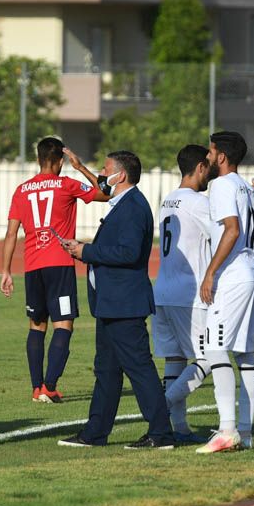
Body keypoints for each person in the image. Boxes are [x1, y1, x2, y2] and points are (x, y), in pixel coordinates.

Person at [57, 151, 174, 449]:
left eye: (105, 168)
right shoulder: (121, 203)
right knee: (106, 371)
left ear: (120, 175)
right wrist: (83, 249)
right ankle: (95, 433)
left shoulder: (133, 206)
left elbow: (129, 253)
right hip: (111, 303)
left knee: (139, 368)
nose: (101, 173)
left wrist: (86, 251)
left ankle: (161, 433)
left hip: (125, 303)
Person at [1, 138, 107, 403]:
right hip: (59, 264)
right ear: (60, 161)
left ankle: (36, 388)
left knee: (37, 326)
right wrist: (80, 167)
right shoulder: (67, 184)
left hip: (32, 265)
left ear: (38, 159)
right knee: (64, 324)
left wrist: (6, 270)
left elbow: (11, 233)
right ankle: (49, 386)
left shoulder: (22, 190)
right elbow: (105, 194)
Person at [196, 131, 254, 454]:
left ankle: (227, 430)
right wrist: (250, 269)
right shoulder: (249, 190)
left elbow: (232, 229)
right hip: (250, 275)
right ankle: (246, 433)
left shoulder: (222, 185)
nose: (208, 158)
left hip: (232, 278)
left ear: (221, 156)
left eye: (211, 152)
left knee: (214, 349)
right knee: (245, 356)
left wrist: (211, 272)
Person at [154, 144, 216, 444]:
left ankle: (178, 428)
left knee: (174, 360)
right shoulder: (198, 202)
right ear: (200, 167)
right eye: (208, 168)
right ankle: (160, 407)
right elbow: (222, 236)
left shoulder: (168, 200)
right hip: (188, 295)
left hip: (163, 291)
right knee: (209, 359)